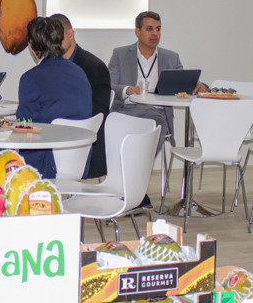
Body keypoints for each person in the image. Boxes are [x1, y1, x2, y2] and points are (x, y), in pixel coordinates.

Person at [109, 10, 206, 150]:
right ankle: (137, 162)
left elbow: (183, 81)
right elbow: (109, 85)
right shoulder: (120, 54)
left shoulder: (171, 58)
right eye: (149, 29)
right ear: (138, 31)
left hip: (157, 111)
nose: (154, 33)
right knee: (117, 126)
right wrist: (127, 89)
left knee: (155, 122)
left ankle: (140, 162)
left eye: (158, 29)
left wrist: (199, 85)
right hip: (127, 108)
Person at [17, 17, 92, 178]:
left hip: (44, 162)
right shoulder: (79, 72)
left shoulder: (30, 78)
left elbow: (24, 127)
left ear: (31, 46)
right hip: (79, 160)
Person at [50, 13, 111, 179]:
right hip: (55, 133)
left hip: (83, 140)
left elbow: (99, 112)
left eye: (58, 37)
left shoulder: (94, 67)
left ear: (71, 34)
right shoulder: (50, 66)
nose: (54, 42)